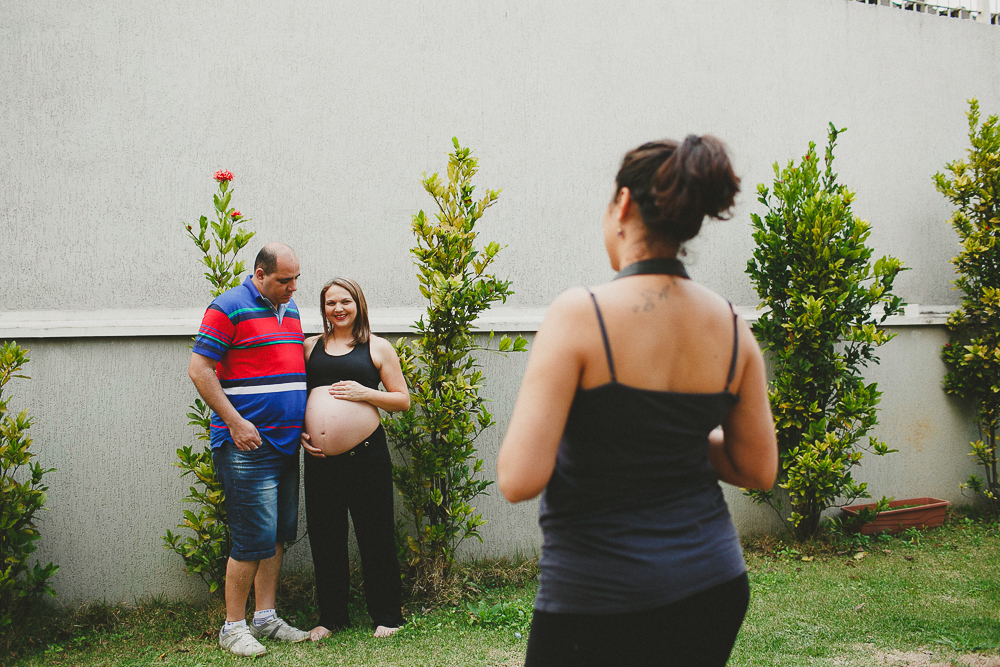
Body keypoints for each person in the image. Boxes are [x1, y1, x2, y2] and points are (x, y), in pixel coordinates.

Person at [496, 136, 779, 667]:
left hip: (598, 597)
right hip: (712, 586)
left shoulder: (580, 315)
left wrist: (610, 429)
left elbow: (518, 478)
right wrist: (675, 438)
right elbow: (757, 467)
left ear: (622, 204)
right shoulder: (734, 328)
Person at [188, 242, 311, 658]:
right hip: (245, 446)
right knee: (250, 539)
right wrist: (236, 422)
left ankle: (266, 618)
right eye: (284, 280)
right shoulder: (227, 307)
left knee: (277, 536)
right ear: (259, 274)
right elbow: (199, 368)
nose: (292, 288)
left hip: (284, 444)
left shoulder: (289, 309)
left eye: (296, 279)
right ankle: (232, 627)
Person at [300, 277, 409, 641]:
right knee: (325, 537)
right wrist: (301, 431)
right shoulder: (309, 347)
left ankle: (388, 615)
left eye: (345, 301)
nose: (338, 309)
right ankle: (331, 617)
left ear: (358, 304)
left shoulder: (377, 348)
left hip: (366, 457)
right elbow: (299, 397)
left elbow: (402, 400)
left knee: (375, 534)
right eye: (331, 303)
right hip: (320, 461)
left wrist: (366, 393)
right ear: (324, 308)